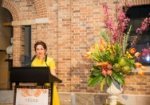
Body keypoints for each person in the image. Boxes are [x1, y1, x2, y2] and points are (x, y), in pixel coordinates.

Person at [31, 40, 60, 105]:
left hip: (49, 87)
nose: (39, 51)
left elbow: (53, 75)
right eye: (37, 49)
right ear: (35, 51)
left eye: (41, 49)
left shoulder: (50, 60)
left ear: (45, 50)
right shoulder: (33, 62)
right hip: (38, 88)